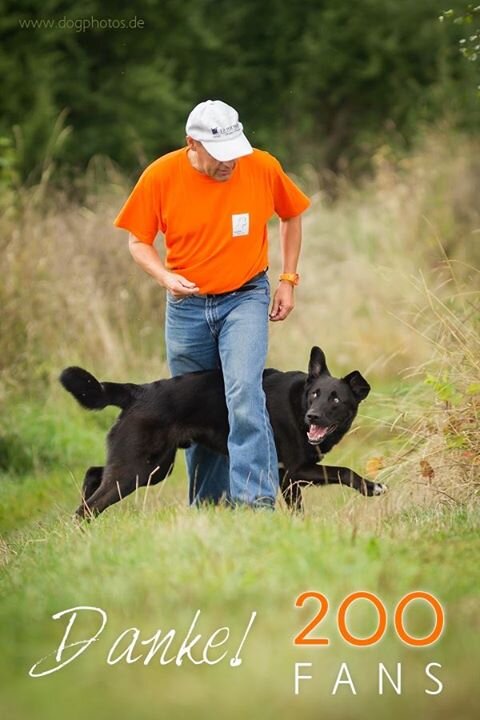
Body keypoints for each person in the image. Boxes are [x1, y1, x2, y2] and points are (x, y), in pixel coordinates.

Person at [114, 99, 310, 509]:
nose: (231, 164)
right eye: (220, 156)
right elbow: (138, 242)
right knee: (197, 408)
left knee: (243, 392)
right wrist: (165, 277)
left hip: (246, 296)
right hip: (187, 310)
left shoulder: (261, 166)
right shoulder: (161, 176)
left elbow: (291, 215)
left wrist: (288, 280)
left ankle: (255, 504)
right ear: (193, 144)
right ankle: (208, 506)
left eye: (235, 152)